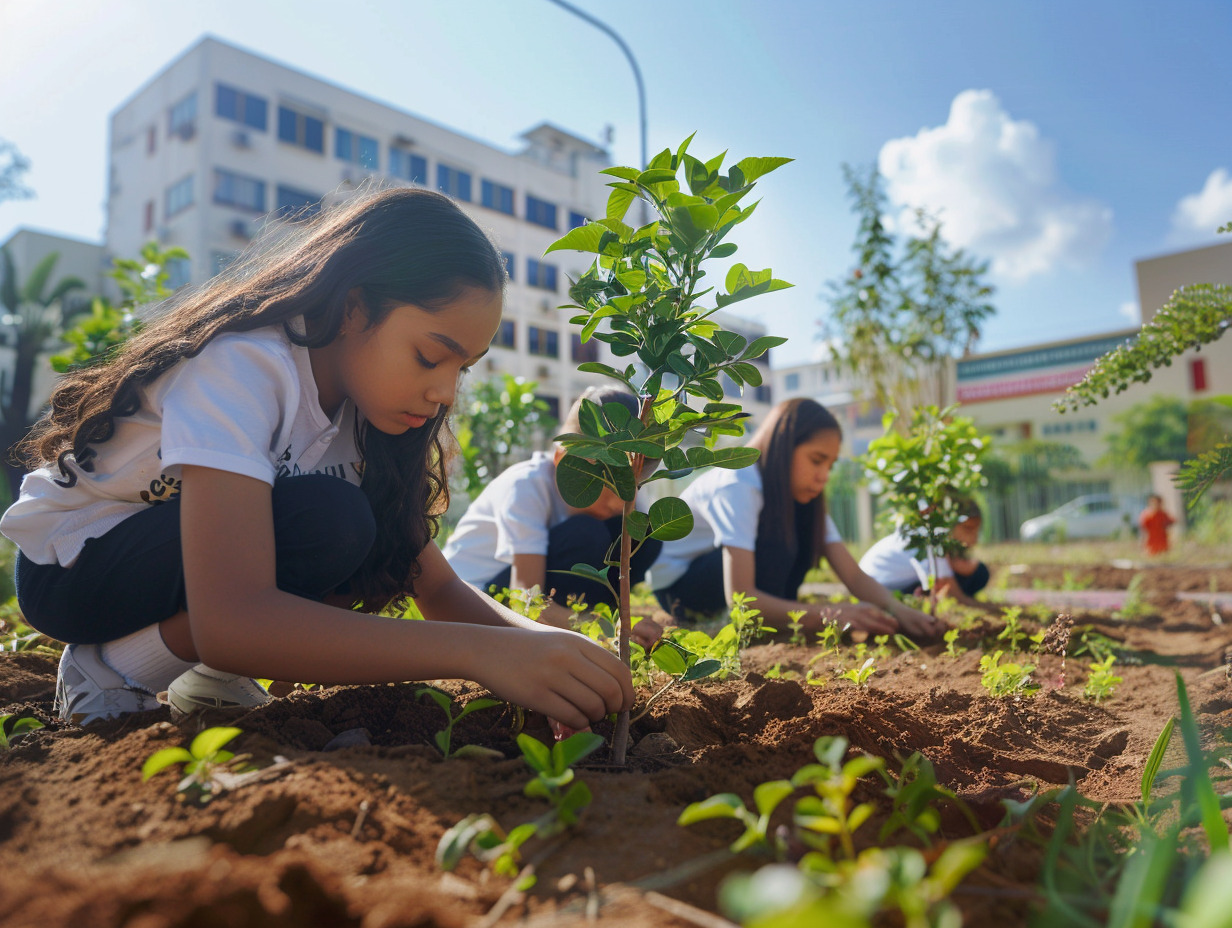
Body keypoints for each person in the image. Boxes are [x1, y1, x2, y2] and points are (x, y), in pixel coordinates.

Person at [1, 186, 632, 731]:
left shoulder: (367, 414)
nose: (446, 392)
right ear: (354, 307)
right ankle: (106, 668)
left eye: (461, 368)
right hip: (78, 565)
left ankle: (213, 685)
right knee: (332, 514)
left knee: (348, 524)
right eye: (429, 356)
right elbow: (232, 617)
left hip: (185, 567)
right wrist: (475, 656)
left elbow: (435, 585)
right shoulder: (246, 366)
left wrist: (546, 647)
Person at [648, 398, 941, 638]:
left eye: (830, 465)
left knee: (800, 530)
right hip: (681, 587)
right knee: (778, 542)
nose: (824, 476)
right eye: (816, 460)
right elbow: (740, 599)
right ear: (783, 447)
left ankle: (777, 616)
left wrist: (898, 610)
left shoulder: (800, 497)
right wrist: (831, 615)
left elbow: (852, 575)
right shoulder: (739, 482)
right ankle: (769, 623)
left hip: (726, 578)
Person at [443, 385, 664, 647]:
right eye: (603, 488)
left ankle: (577, 623)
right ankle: (573, 629)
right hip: (473, 601)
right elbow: (524, 601)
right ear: (562, 461)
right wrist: (607, 630)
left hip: (546, 590)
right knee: (586, 533)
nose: (617, 502)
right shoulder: (526, 486)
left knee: (645, 533)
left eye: (629, 488)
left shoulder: (628, 494)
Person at [858, 498, 994, 609]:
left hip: (877, 585)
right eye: (968, 529)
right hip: (875, 589)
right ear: (949, 523)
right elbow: (951, 589)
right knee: (977, 574)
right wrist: (983, 607)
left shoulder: (927, 534)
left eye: (976, 531)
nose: (974, 539)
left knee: (978, 573)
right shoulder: (931, 538)